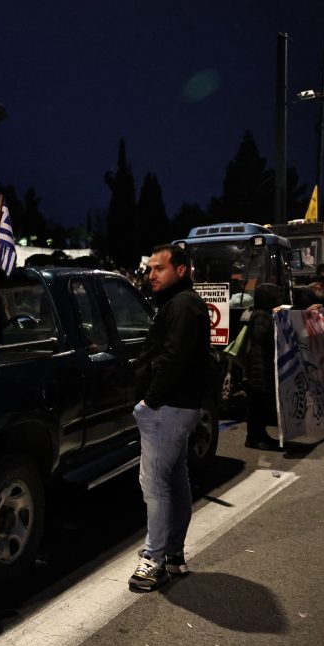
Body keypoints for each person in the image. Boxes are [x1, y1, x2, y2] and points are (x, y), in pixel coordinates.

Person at [127, 244, 210, 592]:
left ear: (181, 270)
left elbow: (174, 357)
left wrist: (150, 400)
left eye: (160, 268)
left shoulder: (183, 305)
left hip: (169, 407)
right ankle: (173, 555)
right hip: (178, 406)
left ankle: (154, 561)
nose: (152, 275)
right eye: (150, 268)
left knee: (155, 487)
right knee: (174, 482)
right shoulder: (181, 304)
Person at [244, 283, 284, 451]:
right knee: (257, 406)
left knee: (260, 405)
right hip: (258, 369)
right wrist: (274, 320)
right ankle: (255, 438)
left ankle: (260, 435)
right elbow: (261, 335)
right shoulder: (261, 315)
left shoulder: (262, 313)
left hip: (260, 367)